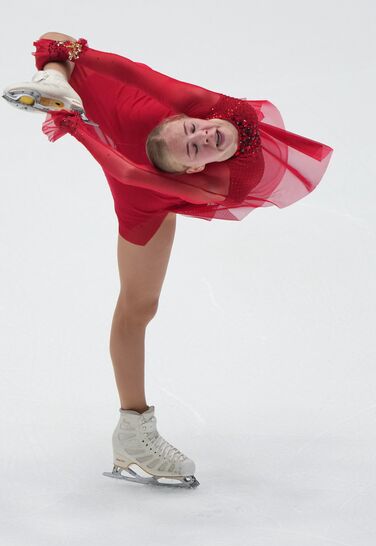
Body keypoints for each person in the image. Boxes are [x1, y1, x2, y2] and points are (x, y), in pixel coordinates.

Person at [2, 32, 334, 489]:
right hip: (137, 182)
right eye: (196, 147)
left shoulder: (208, 115)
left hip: (145, 139)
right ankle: (134, 431)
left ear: (187, 118)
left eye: (194, 131)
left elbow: (128, 70)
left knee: (62, 47)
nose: (204, 135)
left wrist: (73, 62)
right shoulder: (182, 175)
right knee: (138, 306)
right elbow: (127, 171)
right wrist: (75, 125)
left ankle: (53, 79)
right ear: (193, 169)